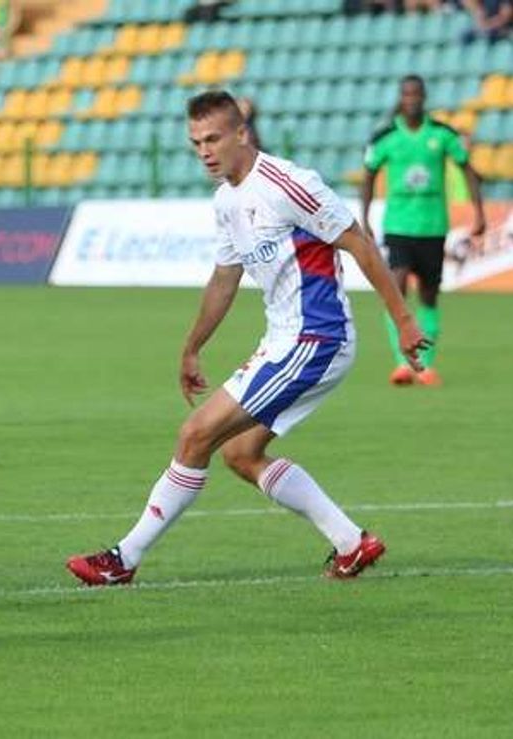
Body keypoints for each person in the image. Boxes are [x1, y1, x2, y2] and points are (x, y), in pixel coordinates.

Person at [66, 90, 428, 588]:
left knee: (196, 433)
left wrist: (403, 321)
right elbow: (224, 279)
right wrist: (193, 346)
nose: (205, 151)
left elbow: (359, 243)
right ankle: (351, 543)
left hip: (316, 337)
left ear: (242, 133)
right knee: (239, 453)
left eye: (213, 138)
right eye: (196, 142)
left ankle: (123, 558)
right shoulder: (226, 200)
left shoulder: (288, 184)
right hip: (284, 339)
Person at [361, 75, 485, 387]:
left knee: (429, 296)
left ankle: (426, 365)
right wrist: (364, 218)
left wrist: (479, 212)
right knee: (398, 289)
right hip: (399, 226)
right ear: (401, 98)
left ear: (424, 97)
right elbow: (368, 174)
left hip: (433, 226)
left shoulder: (442, 134)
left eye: (416, 94)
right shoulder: (386, 137)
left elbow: (467, 169)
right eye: (406, 94)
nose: (412, 99)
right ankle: (402, 363)